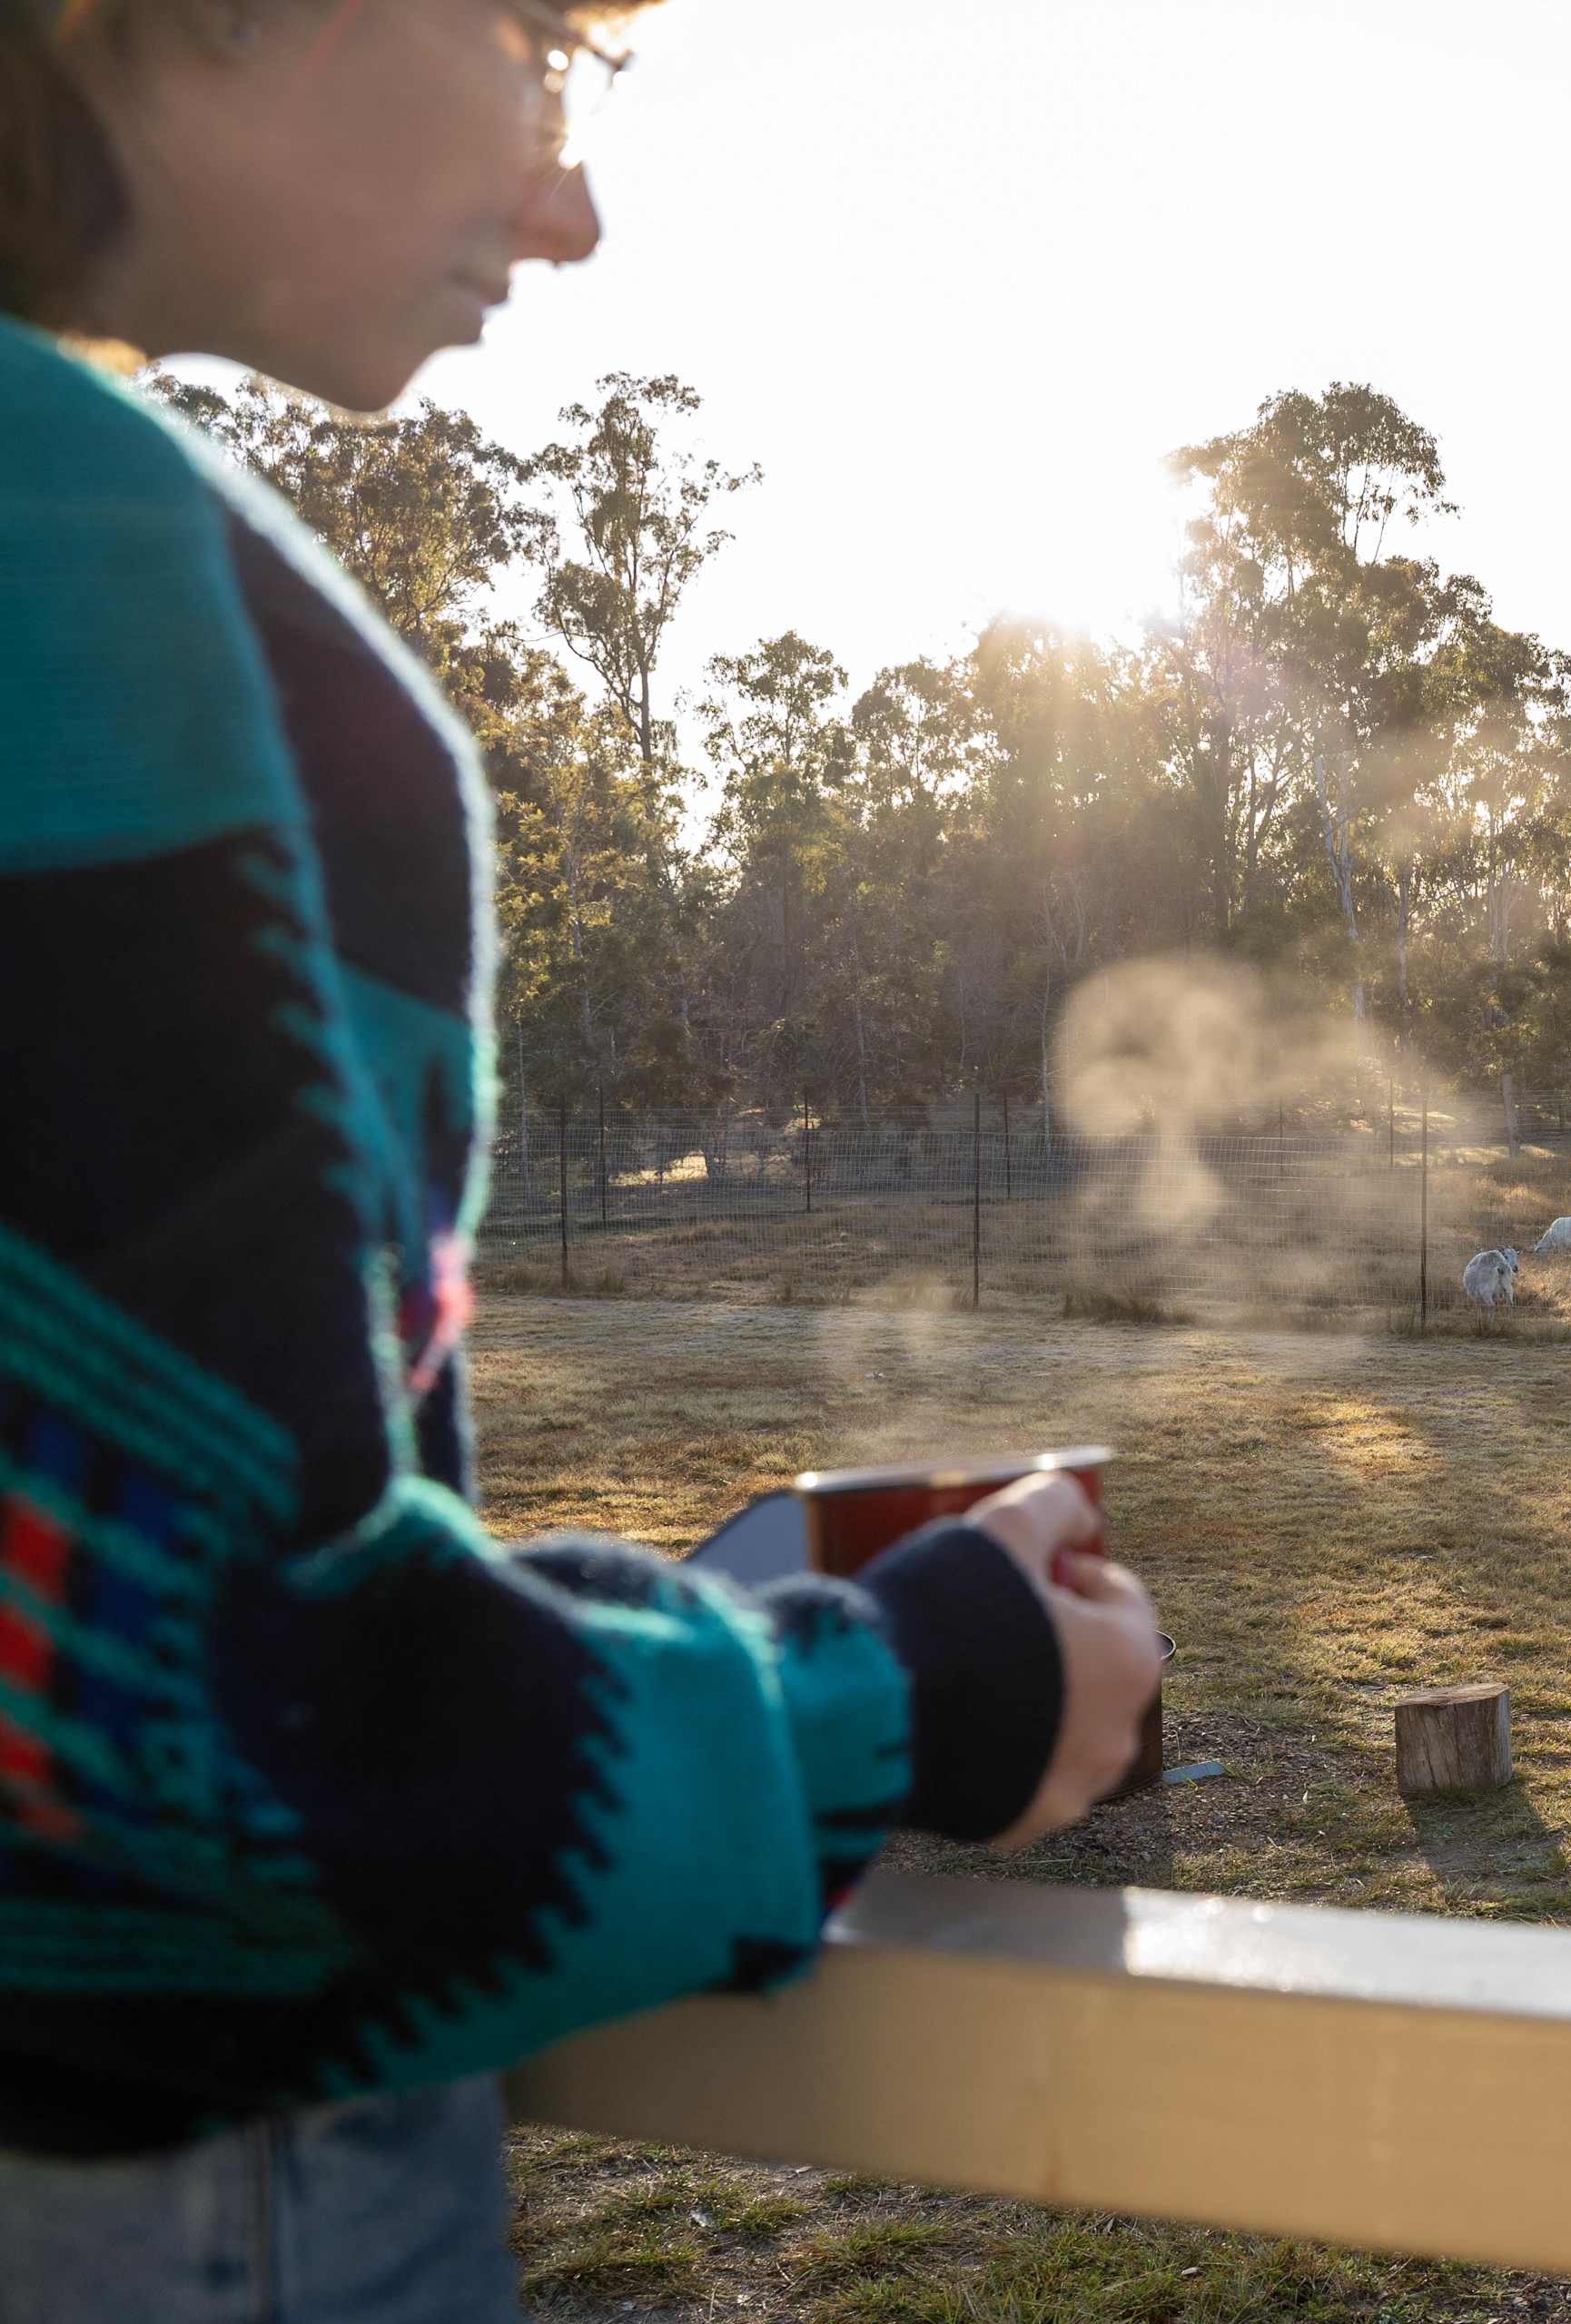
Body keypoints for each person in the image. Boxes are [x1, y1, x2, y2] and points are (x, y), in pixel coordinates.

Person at [0, 4, 1167, 2315]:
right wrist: (911, 1689)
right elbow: (164, 1805)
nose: (572, 205)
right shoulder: (78, 566)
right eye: (543, 43)